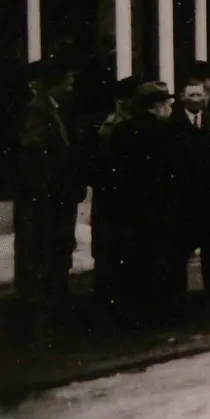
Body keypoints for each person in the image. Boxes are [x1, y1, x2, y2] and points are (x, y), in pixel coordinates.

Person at [13, 57, 87, 306]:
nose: (71, 86)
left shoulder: (53, 108)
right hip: (48, 195)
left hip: (56, 193)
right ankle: (42, 296)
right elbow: (33, 150)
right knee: (44, 243)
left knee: (56, 243)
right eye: (68, 81)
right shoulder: (38, 109)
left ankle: (54, 292)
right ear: (55, 84)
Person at [109, 81, 183, 329]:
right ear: (158, 105)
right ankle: (163, 314)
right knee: (163, 260)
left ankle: (135, 313)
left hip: (131, 208)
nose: (170, 107)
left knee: (136, 259)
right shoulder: (167, 132)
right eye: (167, 103)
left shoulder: (122, 131)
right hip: (162, 208)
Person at [169, 77, 210, 306]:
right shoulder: (172, 125)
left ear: (205, 97)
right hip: (183, 200)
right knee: (181, 251)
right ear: (182, 98)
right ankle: (179, 297)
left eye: (199, 95)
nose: (195, 99)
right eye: (191, 95)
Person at [90, 75, 140, 312]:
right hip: (116, 195)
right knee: (115, 246)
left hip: (111, 195)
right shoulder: (116, 125)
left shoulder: (112, 123)